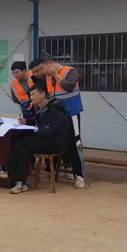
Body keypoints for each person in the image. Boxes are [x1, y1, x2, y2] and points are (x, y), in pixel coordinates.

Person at [7, 85, 71, 193]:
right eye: (30, 95)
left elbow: (49, 132)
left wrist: (32, 133)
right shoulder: (42, 108)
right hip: (46, 139)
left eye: (33, 94)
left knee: (23, 142)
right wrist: (26, 121)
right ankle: (21, 182)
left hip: (55, 143)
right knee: (23, 147)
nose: (31, 97)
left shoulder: (54, 110)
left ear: (43, 94)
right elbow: (36, 120)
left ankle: (5, 168)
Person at [0, 60, 40, 178]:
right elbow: (15, 98)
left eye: (17, 72)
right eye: (13, 73)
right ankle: (29, 165)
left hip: (38, 109)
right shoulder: (14, 83)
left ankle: (37, 165)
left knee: (36, 135)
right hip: (26, 112)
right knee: (25, 135)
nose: (15, 75)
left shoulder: (34, 78)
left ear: (24, 70)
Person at [38, 57, 85, 190]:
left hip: (71, 113)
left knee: (74, 143)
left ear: (49, 64)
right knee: (54, 139)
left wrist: (56, 75)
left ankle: (79, 175)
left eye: (42, 68)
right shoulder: (48, 77)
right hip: (56, 115)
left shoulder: (70, 71)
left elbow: (69, 87)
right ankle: (53, 170)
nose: (42, 72)